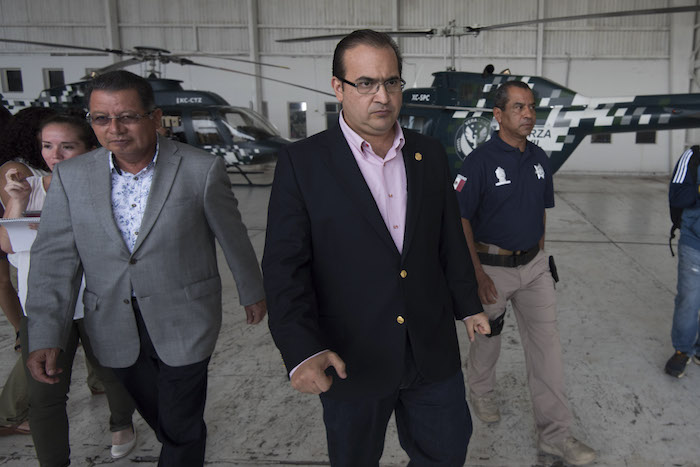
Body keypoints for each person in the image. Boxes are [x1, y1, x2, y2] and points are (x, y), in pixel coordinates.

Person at [263, 30, 490, 467]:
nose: (382, 96)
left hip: (430, 349)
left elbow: (448, 238)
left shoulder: (429, 154)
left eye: (391, 82)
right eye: (365, 83)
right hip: (352, 355)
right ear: (338, 87)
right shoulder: (303, 163)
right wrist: (300, 350)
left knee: (446, 454)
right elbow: (284, 267)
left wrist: (468, 304)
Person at [23, 70, 266, 467]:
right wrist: (46, 333)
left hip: (186, 314)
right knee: (163, 416)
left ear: (154, 117)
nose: (115, 129)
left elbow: (233, 236)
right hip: (111, 319)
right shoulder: (71, 177)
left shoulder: (200, 168)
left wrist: (251, 290)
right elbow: (54, 262)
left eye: (127, 117)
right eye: (101, 119)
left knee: (181, 420)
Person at [454, 80, 596, 466]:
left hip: (534, 269)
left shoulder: (539, 158)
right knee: (488, 339)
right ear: (498, 115)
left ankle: (555, 436)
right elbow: (460, 218)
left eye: (531, 107)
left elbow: (541, 211)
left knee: (547, 348)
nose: (528, 114)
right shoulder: (479, 161)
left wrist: (540, 257)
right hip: (491, 269)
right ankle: (481, 390)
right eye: (519, 107)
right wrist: (477, 274)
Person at [0, 114, 138, 464]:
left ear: (90, 149)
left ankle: (122, 422)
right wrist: (17, 202)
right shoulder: (28, 187)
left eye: (67, 146)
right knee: (44, 395)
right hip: (42, 306)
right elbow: (7, 245)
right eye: (48, 146)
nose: (55, 155)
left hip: (97, 300)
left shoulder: (109, 187)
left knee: (112, 373)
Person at [0, 106, 56, 438]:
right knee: (40, 338)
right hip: (24, 254)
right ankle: (9, 413)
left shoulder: (39, 164)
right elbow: (14, 223)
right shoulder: (16, 169)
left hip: (37, 256)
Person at [665, 146, 700, 377]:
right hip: (694, 243)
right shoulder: (693, 156)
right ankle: (682, 350)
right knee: (689, 299)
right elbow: (677, 195)